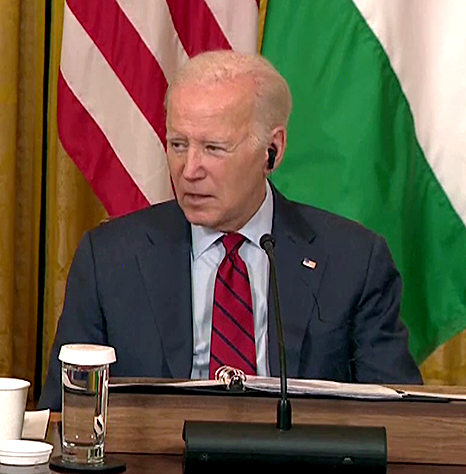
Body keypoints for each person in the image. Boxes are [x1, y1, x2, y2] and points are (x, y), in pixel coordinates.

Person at [40, 50, 421, 410]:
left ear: (272, 151)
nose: (189, 170)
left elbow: (398, 421)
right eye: (178, 144)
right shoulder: (110, 258)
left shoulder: (352, 261)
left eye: (214, 148)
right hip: (152, 472)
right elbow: (63, 414)